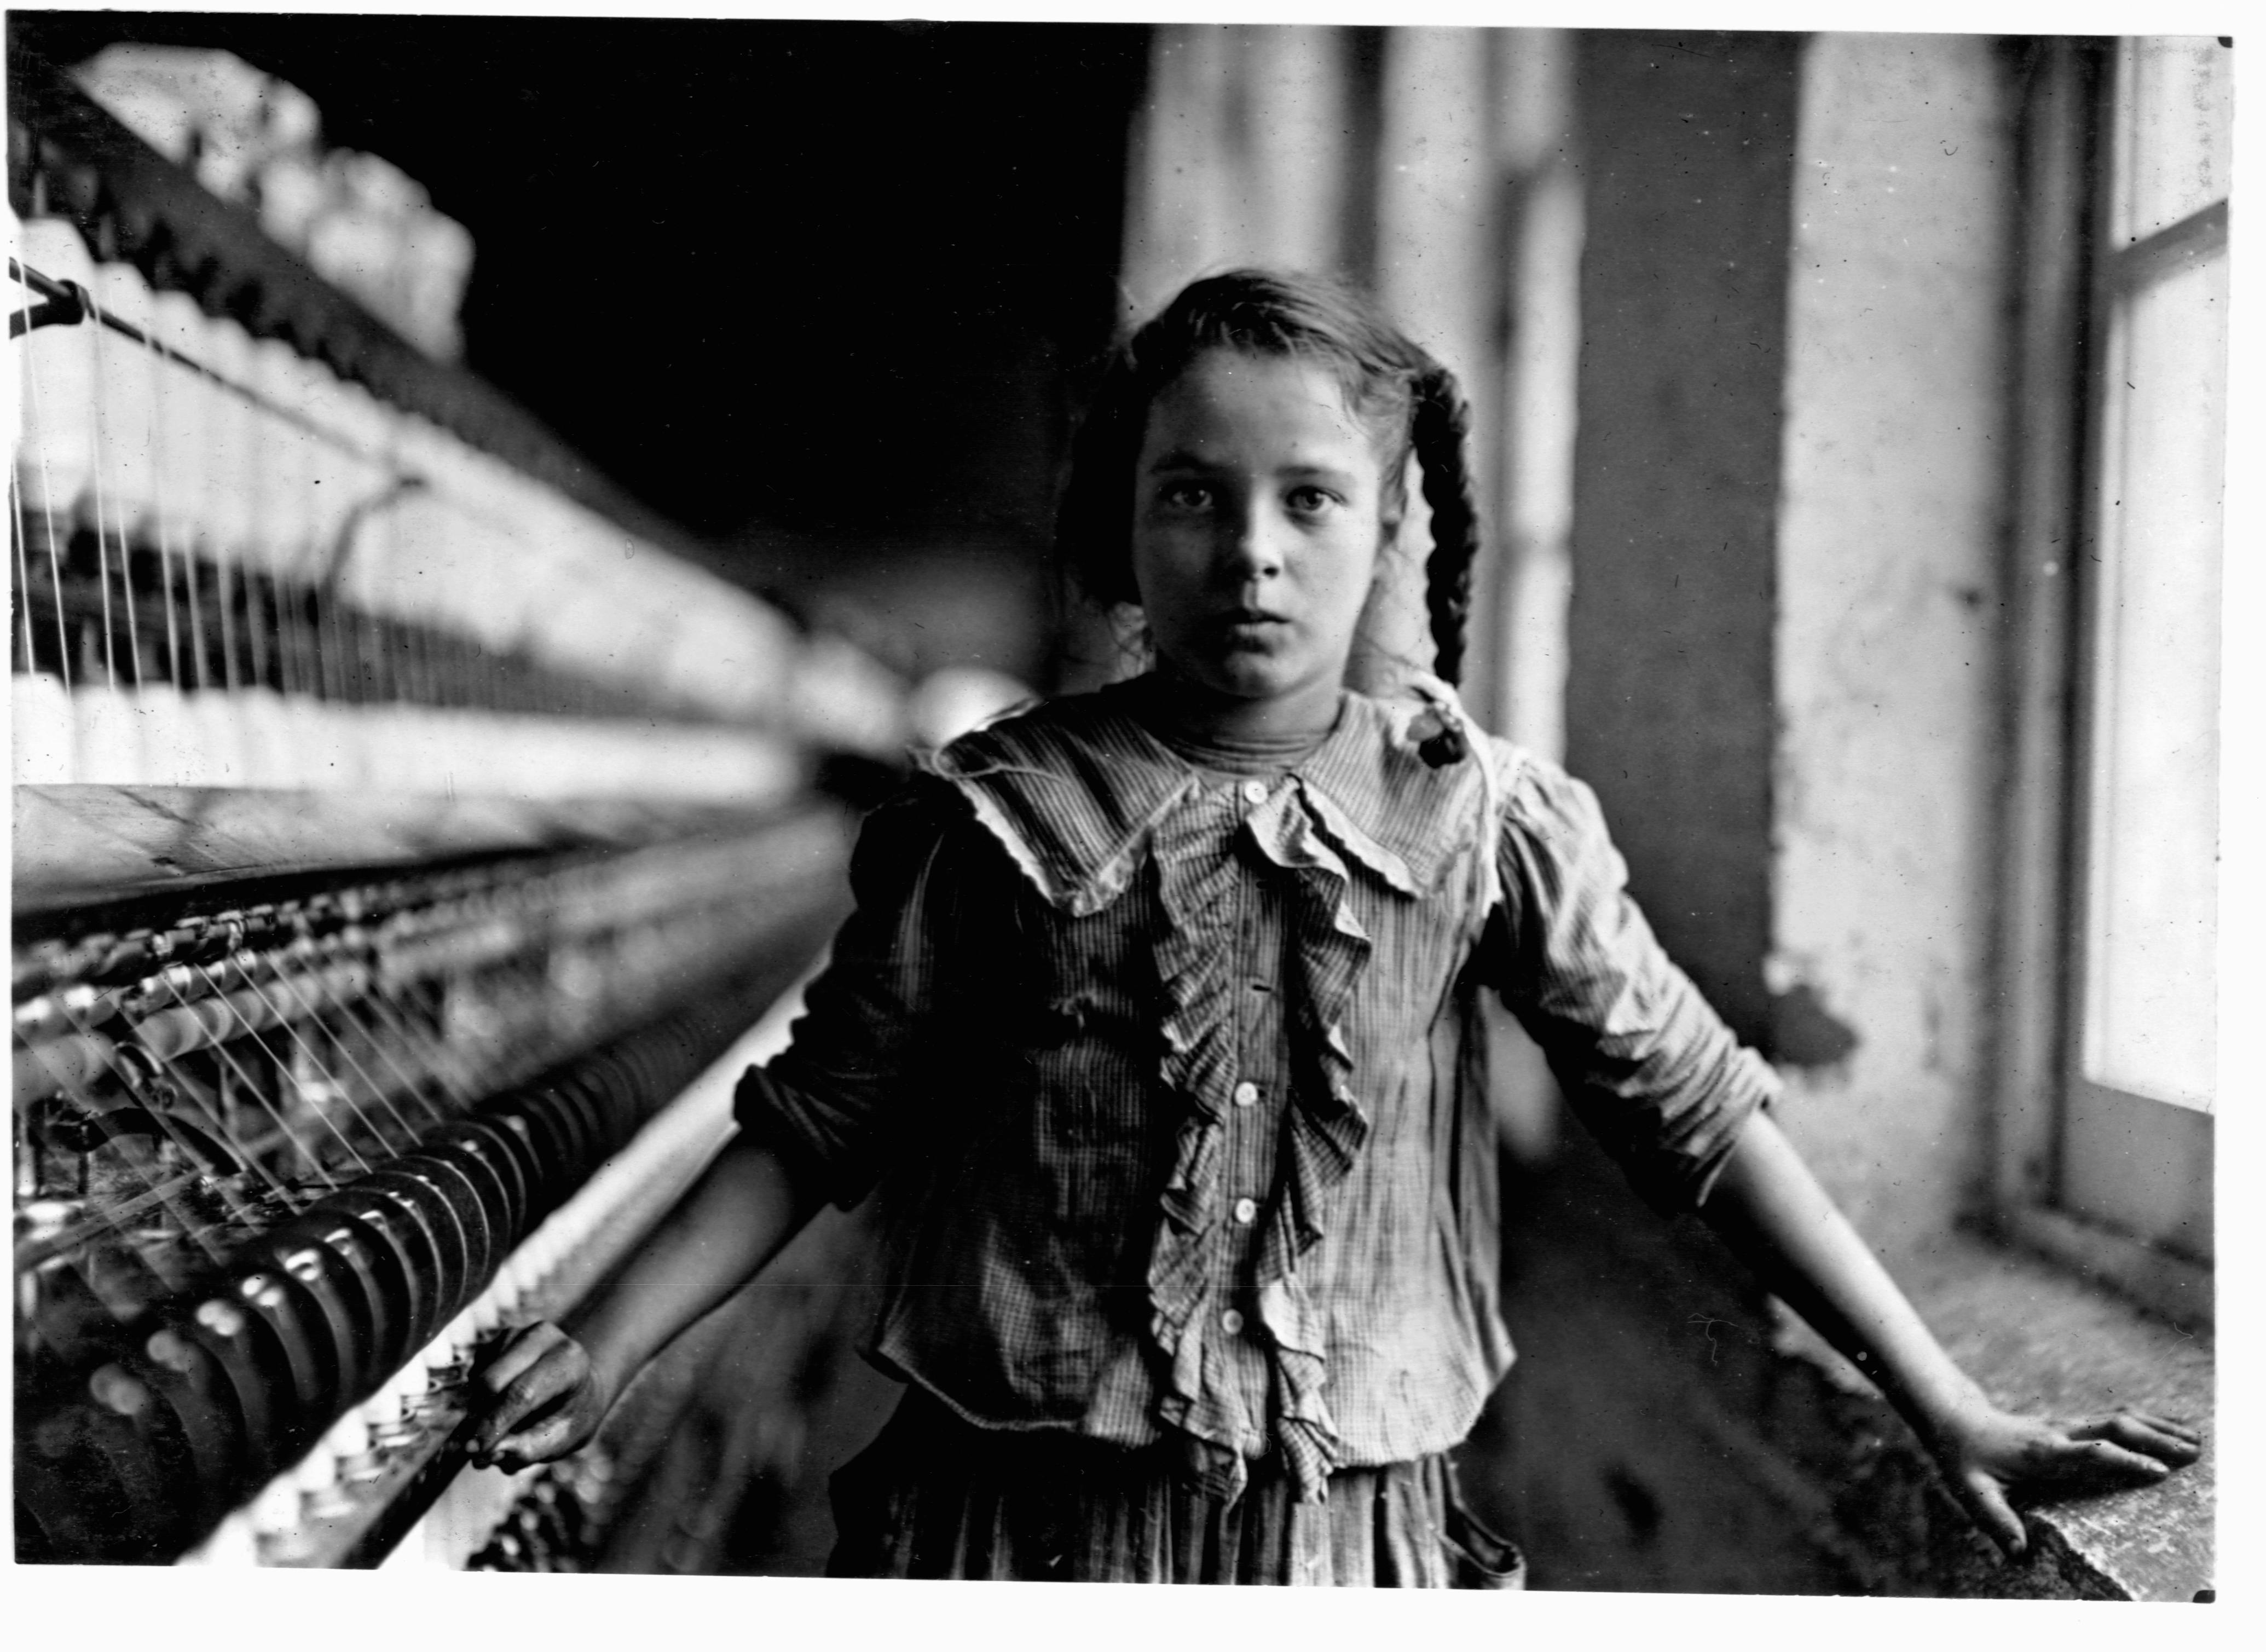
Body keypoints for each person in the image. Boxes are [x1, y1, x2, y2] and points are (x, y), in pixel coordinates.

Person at [465, 270, 2200, 1585]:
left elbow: (1698, 1115)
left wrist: (1941, 1400)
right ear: (1120, 527)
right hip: (1013, 1529)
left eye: (1311, 501)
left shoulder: (1483, 819)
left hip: (1341, 1541)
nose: (1250, 554)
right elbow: (813, 1122)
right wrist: (608, 1346)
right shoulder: (988, 818)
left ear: (1386, 536)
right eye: (1191, 495)